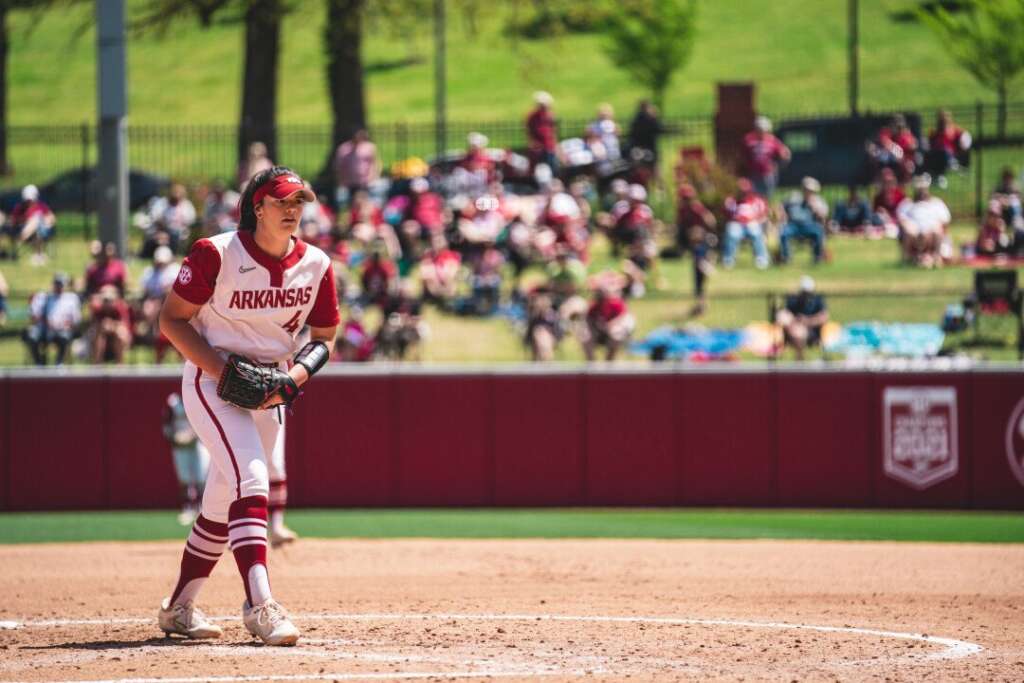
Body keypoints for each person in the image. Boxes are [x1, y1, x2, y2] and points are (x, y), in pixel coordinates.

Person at [156, 166, 340, 645]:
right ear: (257, 206)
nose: (293, 210)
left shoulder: (316, 264)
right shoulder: (215, 253)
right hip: (212, 382)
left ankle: (178, 608)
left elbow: (324, 337)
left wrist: (291, 380)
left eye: (300, 202)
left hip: (271, 391)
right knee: (252, 477)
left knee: (221, 503)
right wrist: (226, 373)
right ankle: (260, 605)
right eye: (283, 202)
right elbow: (172, 321)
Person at [163, 393, 211, 526]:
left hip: (199, 442)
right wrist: (173, 438)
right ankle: (188, 507)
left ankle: (202, 508)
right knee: (184, 477)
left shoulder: (200, 395)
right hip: (180, 445)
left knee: (201, 475)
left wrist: (194, 434)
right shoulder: (173, 402)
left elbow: (207, 419)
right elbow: (166, 424)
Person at [675, 183, 716, 315]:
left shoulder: (696, 208)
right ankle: (700, 301)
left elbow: (711, 222)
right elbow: (680, 226)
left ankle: (707, 263)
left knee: (700, 268)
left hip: (703, 241)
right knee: (698, 272)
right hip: (691, 243)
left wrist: (699, 232)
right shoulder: (682, 210)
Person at [23, 272, 81, 366]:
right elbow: (33, 316)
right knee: (32, 335)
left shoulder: (71, 299)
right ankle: (39, 364)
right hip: (43, 329)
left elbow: (76, 320)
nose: (59, 286)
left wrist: (64, 325)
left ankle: (59, 363)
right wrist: (45, 322)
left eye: (61, 284)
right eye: (57, 283)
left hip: (62, 330)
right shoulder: (43, 297)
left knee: (64, 337)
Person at [137, 246, 182, 362]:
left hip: (172, 302)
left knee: (157, 306)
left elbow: (176, 290)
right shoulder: (149, 272)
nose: (160, 263)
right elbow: (145, 292)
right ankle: (153, 330)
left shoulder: (175, 269)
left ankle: (151, 328)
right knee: (150, 307)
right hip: (153, 300)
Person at [897, 174, 951, 267]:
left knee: (936, 230)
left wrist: (928, 232)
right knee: (909, 231)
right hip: (914, 234)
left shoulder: (937, 203)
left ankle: (936, 258)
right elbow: (902, 220)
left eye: (923, 189)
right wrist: (912, 229)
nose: (921, 192)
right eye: (919, 189)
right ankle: (906, 259)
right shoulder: (907, 204)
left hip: (932, 233)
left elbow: (944, 222)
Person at [775, 275, 828, 360]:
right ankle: (799, 359)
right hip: (793, 328)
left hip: (811, 331)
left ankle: (800, 359)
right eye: (804, 293)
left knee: (799, 332)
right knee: (786, 320)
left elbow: (824, 317)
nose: (806, 296)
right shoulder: (793, 299)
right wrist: (794, 320)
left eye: (808, 293)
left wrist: (808, 321)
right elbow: (783, 315)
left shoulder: (817, 299)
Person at [722, 178, 770, 269]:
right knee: (732, 232)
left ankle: (761, 259)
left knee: (755, 232)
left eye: (745, 191)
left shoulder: (757, 200)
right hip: (737, 224)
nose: (743, 194)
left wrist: (757, 221)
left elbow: (764, 214)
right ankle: (728, 260)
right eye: (741, 191)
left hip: (752, 223)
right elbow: (727, 215)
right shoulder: (732, 201)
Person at [779, 176, 829, 265]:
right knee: (784, 233)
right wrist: (783, 214)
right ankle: (786, 258)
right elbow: (781, 205)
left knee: (818, 232)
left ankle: (817, 257)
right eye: (806, 189)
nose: (807, 192)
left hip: (809, 225)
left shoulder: (818, 201)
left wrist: (815, 208)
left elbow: (823, 216)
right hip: (793, 225)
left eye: (810, 190)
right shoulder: (794, 197)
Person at [580, 285, 635, 362]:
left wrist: (610, 325)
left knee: (616, 336)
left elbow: (623, 316)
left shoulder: (615, 303)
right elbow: (588, 318)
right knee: (585, 339)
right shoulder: (594, 305)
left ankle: (609, 364)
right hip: (598, 332)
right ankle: (592, 364)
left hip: (613, 332)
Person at [742, 116, 791, 199]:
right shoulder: (749, 140)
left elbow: (784, 154)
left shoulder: (772, 140)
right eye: (758, 129)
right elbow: (743, 155)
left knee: (767, 196)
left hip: (767, 174)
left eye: (762, 130)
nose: (760, 132)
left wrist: (778, 166)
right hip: (753, 174)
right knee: (754, 196)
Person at [7, 184, 56, 265]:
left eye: (31, 200)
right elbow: (13, 221)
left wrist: (45, 221)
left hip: (42, 230)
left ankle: (36, 253)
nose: (29, 202)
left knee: (37, 220)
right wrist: (26, 221)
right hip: (25, 231)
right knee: (35, 222)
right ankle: (38, 255)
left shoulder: (41, 206)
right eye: (28, 200)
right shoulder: (20, 208)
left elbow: (52, 218)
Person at [333, 129, 380, 205]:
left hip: (366, 181)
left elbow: (375, 163)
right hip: (349, 182)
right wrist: (341, 179)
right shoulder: (344, 149)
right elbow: (339, 167)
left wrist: (373, 176)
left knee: (366, 203)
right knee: (351, 203)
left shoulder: (369, 147)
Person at [88, 285, 132, 364]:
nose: (107, 302)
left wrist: (111, 325)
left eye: (110, 300)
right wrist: (103, 326)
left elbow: (124, 326)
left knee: (120, 334)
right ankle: (97, 364)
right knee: (98, 335)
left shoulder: (120, 308)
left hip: (117, 337)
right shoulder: (98, 310)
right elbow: (94, 325)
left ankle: (120, 364)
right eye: (105, 300)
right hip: (101, 336)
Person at [526, 91, 559, 174]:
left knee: (553, 168)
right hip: (538, 148)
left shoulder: (550, 115)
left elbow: (553, 131)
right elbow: (530, 132)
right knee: (539, 170)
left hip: (549, 146)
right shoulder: (532, 116)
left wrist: (555, 145)